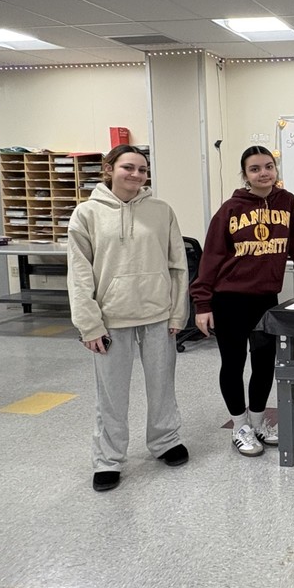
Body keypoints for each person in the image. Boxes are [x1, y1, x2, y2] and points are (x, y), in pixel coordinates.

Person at [67, 144, 189, 493]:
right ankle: (108, 460)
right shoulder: (86, 214)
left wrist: (178, 312)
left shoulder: (161, 211)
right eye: (128, 167)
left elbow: (178, 266)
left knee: (162, 386)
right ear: (109, 168)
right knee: (111, 395)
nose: (136, 175)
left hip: (157, 315)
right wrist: (89, 324)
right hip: (110, 319)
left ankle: (165, 441)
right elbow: (79, 275)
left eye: (142, 169)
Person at [191, 146, 294, 457]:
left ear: (275, 169)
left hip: (265, 301)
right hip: (228, 300)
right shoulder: (230, 209)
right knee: (233, 365)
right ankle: (240, 426)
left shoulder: (288, 204)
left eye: (268, 166)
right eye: (255, 168)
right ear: (245, 175)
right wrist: (202, 303)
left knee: (264, 364)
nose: (264, 173)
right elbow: (211, 259)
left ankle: (260, 422)